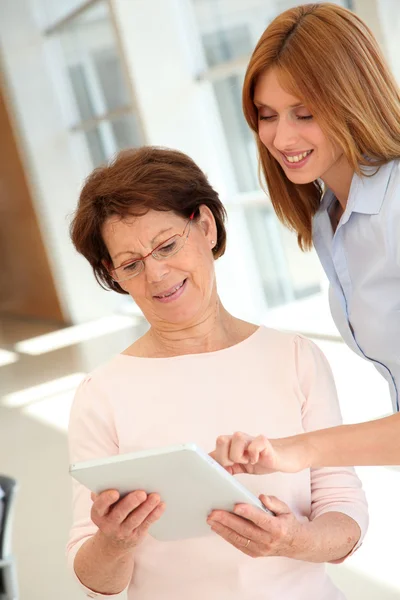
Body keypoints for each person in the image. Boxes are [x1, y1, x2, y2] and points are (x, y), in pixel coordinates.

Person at [67, 146, 368, 600]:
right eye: (131, 265)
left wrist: (294, 541)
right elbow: (95, 581)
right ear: (115, 275)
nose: (157, 275)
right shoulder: (102, 393)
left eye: (166, 245)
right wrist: (114, 543)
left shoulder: (293, 356)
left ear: (205, 226)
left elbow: (344, 511)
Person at [211, 2, 400, 475]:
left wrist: (301, 450)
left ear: (353, 98)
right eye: (267, 114)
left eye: (304, 113)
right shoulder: (329, 218)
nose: (281, 137)